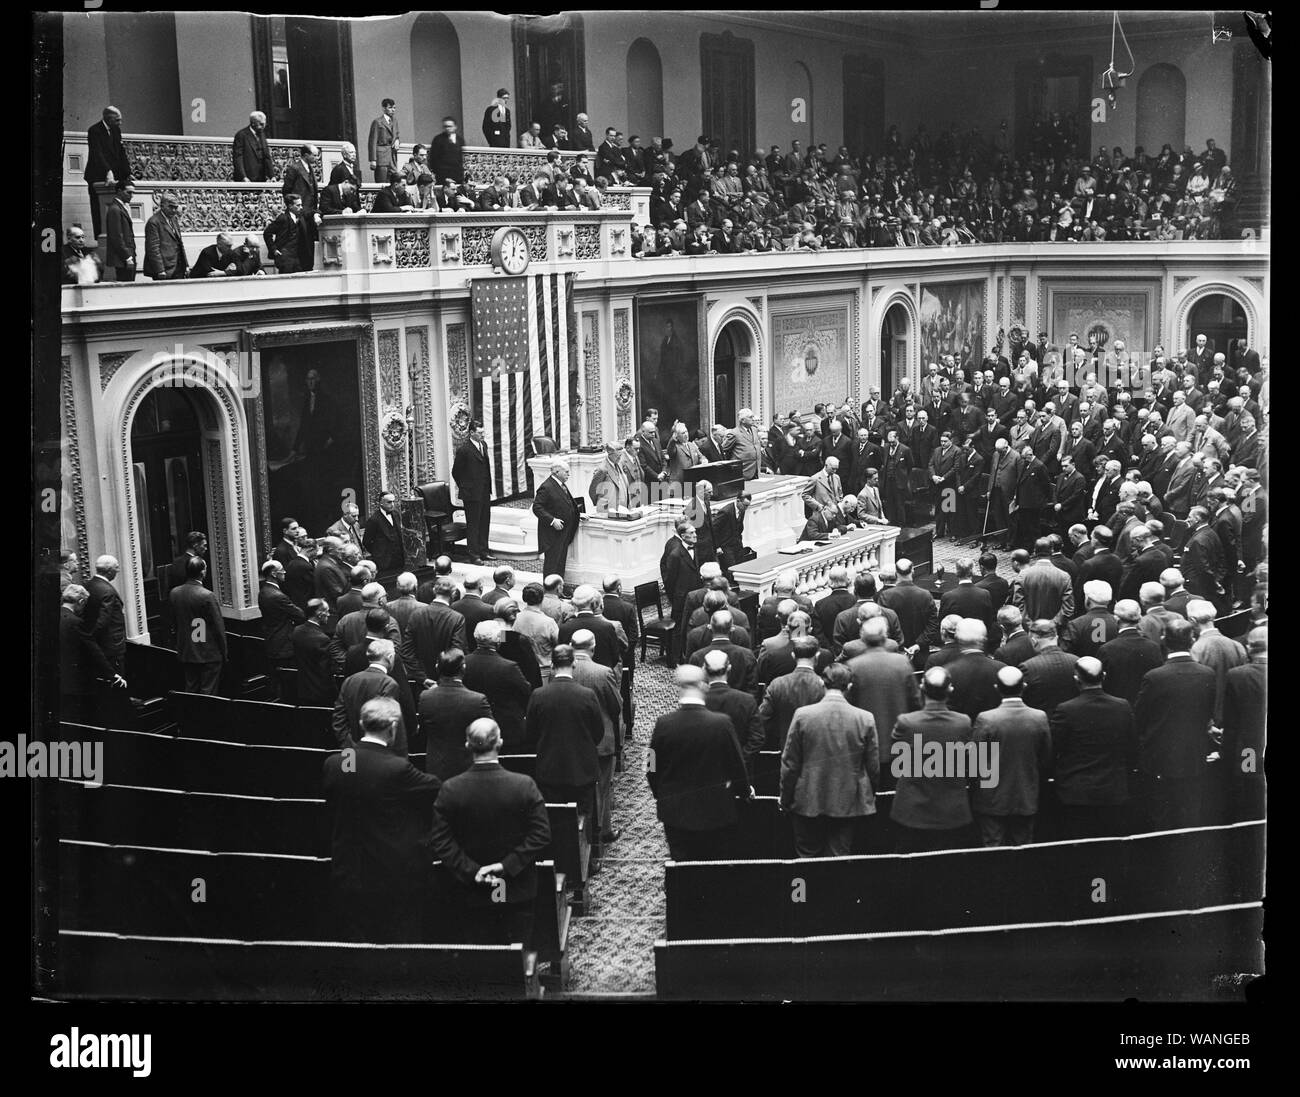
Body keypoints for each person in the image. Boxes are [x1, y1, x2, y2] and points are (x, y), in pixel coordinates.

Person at [322, 696, 440, 943]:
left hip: (348, 866)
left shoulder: (340, 761)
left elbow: (351, 776)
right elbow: (435, 788)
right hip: (389, 870)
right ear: (393, 728)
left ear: (362, 723)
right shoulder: (396, 768)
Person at [429, 717, 551, 947]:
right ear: (500, 742)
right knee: (515, 952)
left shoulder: (450, 789)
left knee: (481, 954)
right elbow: (541, 834)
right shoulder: (524, 785)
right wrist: (507, 865)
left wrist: (472, 871)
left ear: (468, 746)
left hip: (471, 889)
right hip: (515, 886)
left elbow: (440, 841)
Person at [647, 665, 752, 861]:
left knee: (681, 866)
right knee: (712, 867)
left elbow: (651, 766)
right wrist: (744, 791)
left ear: (678, 688)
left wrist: (661, 795)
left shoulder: (664, 724)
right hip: (716, 809)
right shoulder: (721, 723)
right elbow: (736, 765)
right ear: (703, 686)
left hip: (675, 812)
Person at [780, 663, 880, 857]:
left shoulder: (803, 715)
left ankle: (807, 889)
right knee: (838, 859)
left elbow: (790, 764)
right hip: (848, 799)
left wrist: (785, 799)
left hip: (807, 798)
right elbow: (873, 767)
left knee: (807, 857)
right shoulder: (865, 718)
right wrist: (869, 795)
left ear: (821, 682)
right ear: (849, 686)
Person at [1134, 617, 1217, 831]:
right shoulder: (1207, 674)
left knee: (1161, 816)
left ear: (1164, 640)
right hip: (1194, 755)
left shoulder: (1154, 677)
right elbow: (1208, 712)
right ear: (1192, 640)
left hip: (1160, 758)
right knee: (1190, 813)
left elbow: (1140, 717)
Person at [891, 668, 975, 852]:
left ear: (922, 687)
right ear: (950, 689)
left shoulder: (907, 722)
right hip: (951, 809)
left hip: (913, 809)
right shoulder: (963, 722)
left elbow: (896, 756)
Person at [970, 666, 1052, 846]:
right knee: (1024, 848)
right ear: (1023, 686)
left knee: (993, 849)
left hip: (992, 798)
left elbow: (975, 761)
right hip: (1026, 795)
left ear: (996, 688)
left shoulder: (986, 719)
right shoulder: (1039, 717)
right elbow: (1045, 759)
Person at [527, 642, 603, 830]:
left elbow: (531, 733)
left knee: (555, 822)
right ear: (574, 663)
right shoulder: (587, 695)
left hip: (549, 770)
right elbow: (598, 732)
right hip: (582, 769)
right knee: (583, 819)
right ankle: (588, 857)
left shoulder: (538, 695)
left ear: (552, 665)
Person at [332, 639, 410, 755]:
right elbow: (387, 725)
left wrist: (348, 747)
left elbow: (338, 720)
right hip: (377, 754)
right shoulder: (389, 684)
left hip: (349, 753)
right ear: (389, 657)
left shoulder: (350, 680)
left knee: (348, 772)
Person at [60, 584, 126, 721]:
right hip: (76, 682)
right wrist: (113, 675)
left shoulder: (54, 617)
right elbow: (93, 651)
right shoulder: (75, 622)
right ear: (81, 602)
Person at [1221, 627, 1266, 822]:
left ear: (1248, 647)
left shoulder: (1236, 676)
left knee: (1250, 796)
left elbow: (1231, 723)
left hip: (1249, 752)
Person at [464, 621, 531, 750]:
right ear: (498, 641)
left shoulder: (465, 663)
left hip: (473, 724)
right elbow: (526, 691)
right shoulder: (509, 667)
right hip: (506, 726)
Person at [757, 635, 827, 751]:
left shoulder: (777, 684)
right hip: (817, 748)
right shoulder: (824, 685)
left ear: (793, 656)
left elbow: (763, 717)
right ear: (817, 656)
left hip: (786, 746)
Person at [170, 556, 226, 694]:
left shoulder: (174, 593)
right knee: (208, 694)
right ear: (202, 572)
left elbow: (175, 623)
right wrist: (224, 652)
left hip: (186, 651)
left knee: (191, 690)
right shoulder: (207, 596)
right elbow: (218, 627)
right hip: (208, 654)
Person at [84, 105, 131, 238]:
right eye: (117, 120)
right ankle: (100, 237)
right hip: (97, 175)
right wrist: (107, 171)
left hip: (114, 175)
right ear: (108, 119)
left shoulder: (116, 130)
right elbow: (97, 153)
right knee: (98, 209)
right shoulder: (94, 131)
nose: (120, 123)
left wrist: (127, 172)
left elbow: (121, 153)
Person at [533, 460, 583, 579]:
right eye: (566, 472)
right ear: (556, 471)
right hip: (552, 534)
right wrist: (552, 520)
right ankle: (549, 591)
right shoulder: (546, 487)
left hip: (563, 532)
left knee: (560, 563)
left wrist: (578, 514)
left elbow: (567, 504)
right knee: (552, 565)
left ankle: (558, 589)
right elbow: (537, 507)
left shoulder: (560, 484)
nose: (568, 474)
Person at [453, 421, 492, 565]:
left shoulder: (484, 445)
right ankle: (474, 554)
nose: (483, 435)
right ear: (471, 433)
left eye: (483, 432)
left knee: (484, 522)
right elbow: (456, 472)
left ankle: (484, 550)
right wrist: (466, 488)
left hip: (484, 492)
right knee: (473, 525)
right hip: (471, 494)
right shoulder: (464, 450)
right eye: (480, 433)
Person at [83, 555, 126, 675]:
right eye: (116, 568)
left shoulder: (87, 585)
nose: (118, 571)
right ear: (109, 571)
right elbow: (103, 621)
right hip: (111, 646)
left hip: (98, 644)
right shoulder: (108, 591)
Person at [292, 599, 335, 706]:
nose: (329, 615)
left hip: (302, 689)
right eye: (327, 611)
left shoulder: (297, 631)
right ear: (320, 614)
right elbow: (326, 670)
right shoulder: (322, 639)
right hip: (320, 692)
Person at [143, 192, 189, 280]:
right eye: (171, 207)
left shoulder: (174, 219)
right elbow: (153, 248)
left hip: (178, 267)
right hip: (164, 269)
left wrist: (186, 265)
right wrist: (160, 270)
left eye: (175, 207)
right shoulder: (154, 222)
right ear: (162, 205)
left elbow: (180, 243)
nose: (174, 210)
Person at [264, 193, 309, 274]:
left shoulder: (299, 217)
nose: (301, 207)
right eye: (298, 205)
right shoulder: (282, 218)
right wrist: (273, 249)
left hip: (297, 257)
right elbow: (267, 233)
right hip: (285, 257)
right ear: (290, 206)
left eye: (301, 205)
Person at [361, 491, 405, 574]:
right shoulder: (374, 520)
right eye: (389, 502)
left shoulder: (396, 514)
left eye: (393, 501)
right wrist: (378, 553)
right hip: (384, 562)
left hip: (399, 560)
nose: (392, 504)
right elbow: (366, 542)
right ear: (381, 503)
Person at [103, 182, 137, 282]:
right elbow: (116, 236)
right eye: (129, 192)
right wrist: (127, 257)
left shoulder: (120, 207)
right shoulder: (115, 209)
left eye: (132, 193)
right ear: (119, 191)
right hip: (123, 259)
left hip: (126, 257)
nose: (132, 196)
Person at [232, 110, 273, 182]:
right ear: (253, 123)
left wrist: (272, 176)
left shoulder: (262, 134)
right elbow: (238, 158)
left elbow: (267, 156)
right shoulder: (241, 135)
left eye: (264, 124)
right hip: (247, 178)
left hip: (261, 178)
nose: (263, 127)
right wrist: (243, 176)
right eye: (261, 124)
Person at [367, 98, 401, 183]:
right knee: (381, 182)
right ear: (384, 108)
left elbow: (396, 134)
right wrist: (373, 160)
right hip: (381, 156)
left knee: (394, 181)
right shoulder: (377, 122)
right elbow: (372, 141)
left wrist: (397, 140)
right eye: (390, 107)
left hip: (392, 156)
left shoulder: (395, 121)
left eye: (394, 108)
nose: (393, 110)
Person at [429, 116, 465, 185]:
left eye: (450, 126)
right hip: (443, 176)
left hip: (457, 176)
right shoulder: (438, 139)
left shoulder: (460, 140)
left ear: (455, 127)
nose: (447, 128)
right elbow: (434, 158)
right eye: (445, 126)